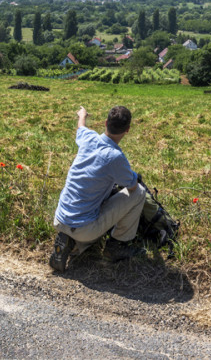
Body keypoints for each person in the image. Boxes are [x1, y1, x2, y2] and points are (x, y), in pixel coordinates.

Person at [50, 105, 147, 272]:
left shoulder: (88, 138)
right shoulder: (115, 157)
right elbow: (132, 187)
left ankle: (70, 242)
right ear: (128, 130)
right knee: (140, 192)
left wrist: (82, 114)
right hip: (83, 227)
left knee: (90, 213)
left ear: (105, 122)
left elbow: (81, 127)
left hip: (60, 218)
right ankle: (116, 247)